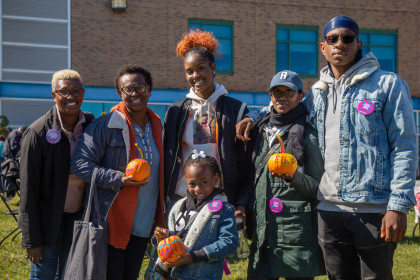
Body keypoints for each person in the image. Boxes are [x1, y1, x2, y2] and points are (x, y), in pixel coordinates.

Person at [237, 15, 417, 280]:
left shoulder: (387, 85)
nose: (340, 44)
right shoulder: (318, 93)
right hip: (329, 211)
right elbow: (285, 104)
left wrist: (398, 206)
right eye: (333, 39)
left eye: (347, 38)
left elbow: (405, 146)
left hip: (373, 209)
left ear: (359, 44)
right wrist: (254, 116)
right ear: (323, 47)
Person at [70, 64, 166, 280]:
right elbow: (79, 163)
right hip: (111, 219)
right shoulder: (106, 124)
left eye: (140, 87)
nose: (135, 94)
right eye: (128, 90)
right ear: (120, 93)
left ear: (149, 89)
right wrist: (119, 179)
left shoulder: (158, 125)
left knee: (130, 275)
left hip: (144, 221)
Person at [163, 30, 250, 224]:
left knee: (214, 254)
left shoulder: (237, 110)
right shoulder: (175, 111)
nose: (195, 75)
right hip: (181, 200)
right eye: (189, 71)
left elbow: (247, 165)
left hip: (222, 201)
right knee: (178, 254)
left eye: (201, 68)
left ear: (213, 67)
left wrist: (242, 203)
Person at [245, 71, 324, 280]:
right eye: (276, 91)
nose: (282, 97)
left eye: (288, 91)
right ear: (270, 95)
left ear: (300, 95)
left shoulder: (309, 135)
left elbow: (319, 188)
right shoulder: (260, 130)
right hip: (264, 231)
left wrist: (293, 177)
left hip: (295, 235)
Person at [19, 69, 94, 279]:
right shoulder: (37, 133)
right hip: (46, 223)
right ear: (54, 95)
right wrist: (31, 241)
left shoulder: (91, 126)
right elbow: (28, 191)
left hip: (78, 221)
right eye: (64, 92)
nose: (71, 97)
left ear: (83, 93)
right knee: (45, 275)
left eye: (76, 91)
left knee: (72, 274)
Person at [153, 150, 238, 280]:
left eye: (203, 182)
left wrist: (194, 256)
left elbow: (229, 242)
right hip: (173, 274)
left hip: (200, 275)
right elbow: (177, 237)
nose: (198, 189)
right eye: (192, 184)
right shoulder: (179, 207)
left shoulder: (224, 210)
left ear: (215, 180)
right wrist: (164, 236)